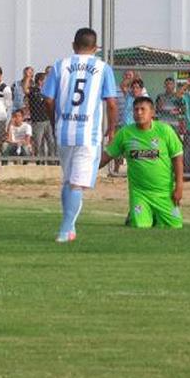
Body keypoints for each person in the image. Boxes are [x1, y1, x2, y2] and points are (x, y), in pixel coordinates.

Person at [41, 27, 119, 244]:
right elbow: (111, 103)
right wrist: (112, 129)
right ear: (96, 48)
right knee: (77, 184)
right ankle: (65, 231)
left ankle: (70, 227)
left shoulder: (60, 65)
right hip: (88, 133)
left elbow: (47, 99)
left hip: (64, 131)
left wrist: (55, 120)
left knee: (68, 180)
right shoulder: (103, 68)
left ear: (74, 45)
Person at [100, 96, 184, 228]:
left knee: (175, 226)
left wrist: (179, 186)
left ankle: (154, 215)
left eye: (142, 109)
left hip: (164, 193)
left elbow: (177, 157)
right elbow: (106, 156)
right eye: (136, 110)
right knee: (140, 226)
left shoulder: (165, 131)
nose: (139, 113)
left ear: (152, 112)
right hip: (140, 193)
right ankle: (135, 215)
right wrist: (87, 170)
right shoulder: (125, 133)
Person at [28, 72, 55, 158]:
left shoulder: (49, 91)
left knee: (51, 141)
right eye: (45, 80)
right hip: (38, 121)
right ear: (40, 81)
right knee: (38, 143)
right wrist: (28, 76)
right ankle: (40, 160)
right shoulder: (33, 91)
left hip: (48, 120)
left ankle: (52, 160)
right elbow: (25, 90)